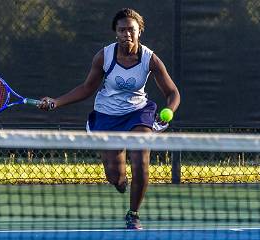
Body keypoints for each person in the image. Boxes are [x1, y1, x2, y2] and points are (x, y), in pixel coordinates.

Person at [39, 8, 180, 229]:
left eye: (131, 30)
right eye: (122, 30)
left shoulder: (149, 59)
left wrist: (168, 111)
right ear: (116, 33)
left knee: (141, 158)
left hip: (138, 113)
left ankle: (133, 214)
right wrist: (57, 101)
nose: (127, 34)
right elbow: (87, 88)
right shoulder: (104, 56)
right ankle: (120, 179)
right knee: (115, 176)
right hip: (107, 114)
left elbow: (173, 93)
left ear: (139, 31)